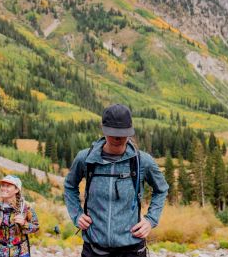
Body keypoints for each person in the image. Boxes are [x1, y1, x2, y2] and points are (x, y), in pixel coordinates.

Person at [64, 104, 169, 257]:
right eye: (113, 133)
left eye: (122, 133)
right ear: (103, 129)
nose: (118, 138)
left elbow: (161, 189)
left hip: (132, 249)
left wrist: (150, 220)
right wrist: (77, 214)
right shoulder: (85, 159)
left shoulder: (143, 161)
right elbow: (69, 186)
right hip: (93, 249)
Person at [0, 175, 40, 257]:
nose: (3, 188)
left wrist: (24, 223)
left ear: (16, 189)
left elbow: (36, 227)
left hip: (21, 253)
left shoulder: (25, 208)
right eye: (2, 185)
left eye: (8, 186)